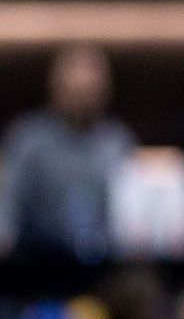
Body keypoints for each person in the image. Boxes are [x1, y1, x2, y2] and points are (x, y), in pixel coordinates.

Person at [0, 45, 136, 279]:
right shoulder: (29, 140)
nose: (83, 99)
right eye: (76, 92)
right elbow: (7, 204)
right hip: (37, 268)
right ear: (56, 88)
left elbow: (131, 214)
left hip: (106, 270)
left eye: (91, 91)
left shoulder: (118, 142)